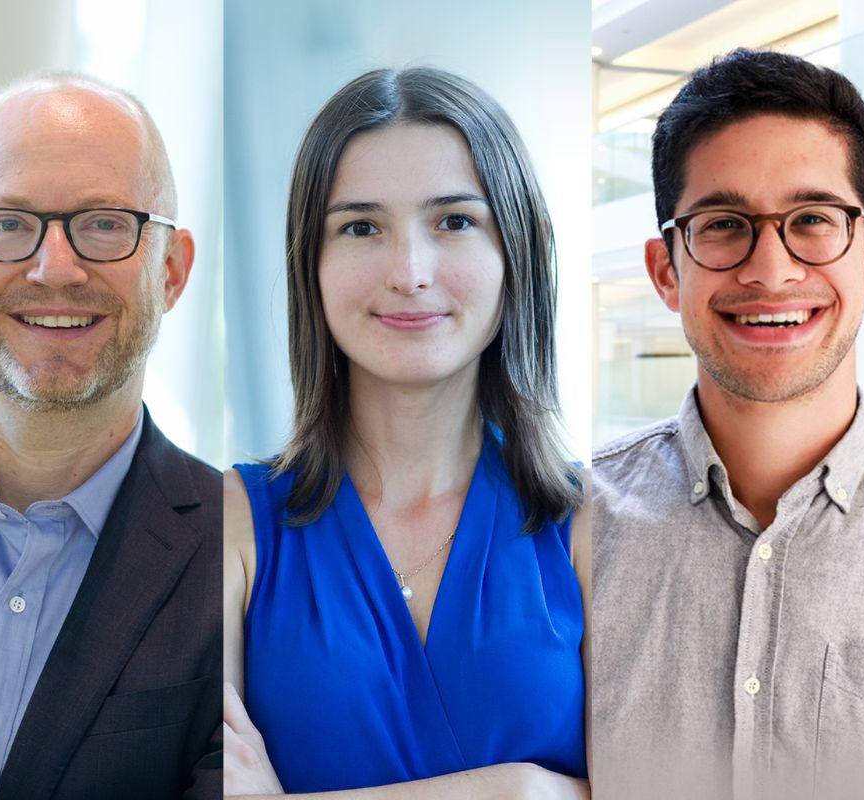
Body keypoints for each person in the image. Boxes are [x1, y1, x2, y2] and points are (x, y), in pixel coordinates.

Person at [591, 48, 864, 800]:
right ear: (667, 271)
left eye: (813, 220)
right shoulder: (563, 530)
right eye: (724, 224)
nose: (770, 268)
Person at [222, 67, 589, 799]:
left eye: (454, 221)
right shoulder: (228, 521)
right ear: (311, 266)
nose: (409, 272)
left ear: (516, 250)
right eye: (361, 227)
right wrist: (526, 792)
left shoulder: (598, 525)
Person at [0, 73, 219, 799]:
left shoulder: (243, 564)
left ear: (171, 273)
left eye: (107, 223)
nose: (56, 268)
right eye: (9, 223)